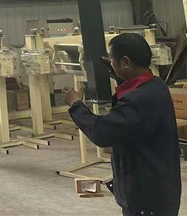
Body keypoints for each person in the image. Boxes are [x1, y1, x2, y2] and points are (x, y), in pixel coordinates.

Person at [65, 33, 181, 216]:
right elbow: (131, 90)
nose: (110, 63)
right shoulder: (157, 85)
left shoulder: (137, 101)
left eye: (112, 60)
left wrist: (76, 105)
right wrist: (115, 72)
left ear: (126, 62)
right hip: (160, 191)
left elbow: (101, 133)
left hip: (146, 202)